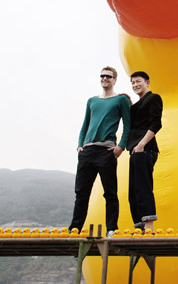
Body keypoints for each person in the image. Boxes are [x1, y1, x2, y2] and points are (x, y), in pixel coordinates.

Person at [69, 66, 130, 238]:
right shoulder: (92, 101)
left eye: (108, 76)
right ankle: (74, 229)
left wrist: (121, 146)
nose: (105, 79)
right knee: (81, 193)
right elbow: (85, 125)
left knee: (110, 192)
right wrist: (80, 145)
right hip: (87, 151)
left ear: (115, 79)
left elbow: (128, 125)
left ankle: (112, 228)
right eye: (102, 76)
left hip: (106, 152)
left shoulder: (121, 100)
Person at [127, 71, 163, 232]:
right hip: (134, 150)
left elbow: (156, 124)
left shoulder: (153, 98)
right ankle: (139, 225)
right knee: (133, 190)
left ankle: (149, 225)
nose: (135, 85)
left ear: (147, 82)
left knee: (143, 186)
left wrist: (141, 144)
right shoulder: (137, 105)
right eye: (132, 82)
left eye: (138, 81)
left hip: (145, 149)